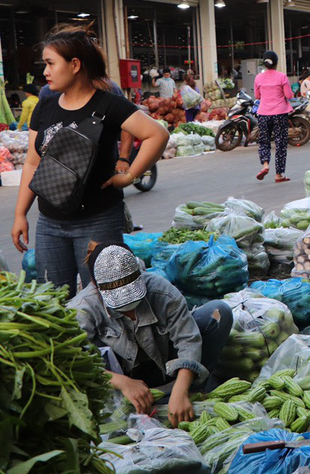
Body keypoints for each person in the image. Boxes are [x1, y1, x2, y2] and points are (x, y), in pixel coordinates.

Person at [11, 24, 168, 298]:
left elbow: (157, 134)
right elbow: (33, 164)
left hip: (98, 221)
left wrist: (129, 176)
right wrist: (20, 214)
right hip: (50, 223)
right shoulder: (45, 106)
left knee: (103, 300)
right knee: (55, 302)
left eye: (50, 63)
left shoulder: (108, 104)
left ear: (74, 65)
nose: (45, 71)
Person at [69, 242, 233, 425]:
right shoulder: (83, 308)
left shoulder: (161, 291)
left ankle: (189, 390)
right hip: (122, 378)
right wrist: (121, 382)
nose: (129, 310)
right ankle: (137, 402)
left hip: (164, 365)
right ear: (96, 285)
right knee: (84, 354)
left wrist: (181, 390)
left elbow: (187, 339)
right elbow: (73, 359)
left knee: (219, 313)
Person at [254, 50, 293, 183]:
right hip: (280, 113)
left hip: (263, 114)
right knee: (280, 143)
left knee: (264, 141)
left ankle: (265, 165)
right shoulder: (282, 76)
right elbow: (289, 95)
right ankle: (279, 174)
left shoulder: (258, 78)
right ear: (276, 63)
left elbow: (257, 96)